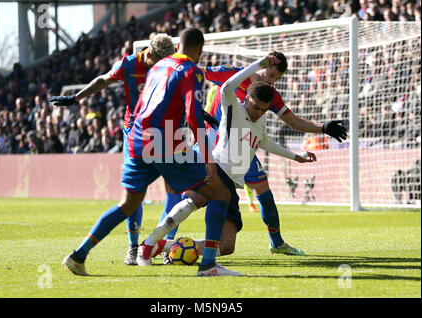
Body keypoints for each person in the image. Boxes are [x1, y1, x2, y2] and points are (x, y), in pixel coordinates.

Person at [61, 28, 240, 277]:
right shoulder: (191, 72)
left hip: (136, 138)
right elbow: (192, 116)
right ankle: (208, 265)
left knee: (127, 204)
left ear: (178, 45)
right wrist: (208, 161)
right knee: (220, 193)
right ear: (200, 50)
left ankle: (78, 255)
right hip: (165, 140)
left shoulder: (156, 68)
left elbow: (141, 104)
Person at [137, 55, 316, 265]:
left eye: (263, 109)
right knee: (193, 200)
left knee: (227, 247)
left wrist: (297, 157)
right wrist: (258, 65)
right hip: (215, 169)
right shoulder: (233, 106)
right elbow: (227, 86)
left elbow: (266, 143)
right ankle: (148, 245)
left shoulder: (260, 122)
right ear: (246, 98)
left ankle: (167, 246)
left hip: (231, 183)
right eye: (255, 106)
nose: (258, 112)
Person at [195, 51, 347, 256]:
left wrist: (324, 127)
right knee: (193, 196)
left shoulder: (270, 95)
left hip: (244, 149)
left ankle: (277, 243)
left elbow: (293, 121)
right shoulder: (233, 74)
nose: (271, 80)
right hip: (214, 144)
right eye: (270, 74)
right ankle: (164, 240)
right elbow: (196, 74)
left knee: (265, 194)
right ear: (263, 64)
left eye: (276, 78)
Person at [49, 34, 176, 265]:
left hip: (166, 134)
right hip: (136, 135)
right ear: (148, 53)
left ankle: (166, 246)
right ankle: (134, 247)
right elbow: (103, 80)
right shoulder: (129, 64)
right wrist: (76, 98)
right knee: (134, 198)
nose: (162, 67)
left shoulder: (171, 65)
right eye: (158, 61)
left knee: (176, 190)